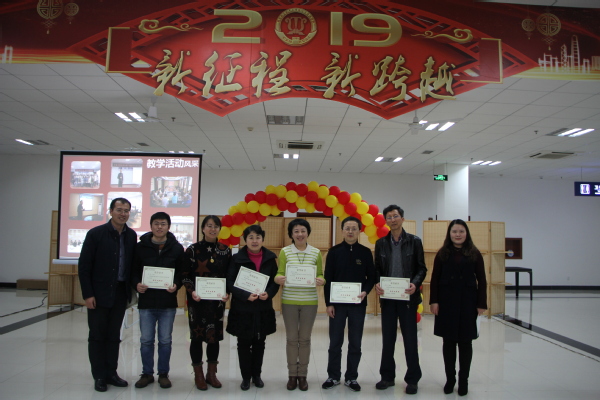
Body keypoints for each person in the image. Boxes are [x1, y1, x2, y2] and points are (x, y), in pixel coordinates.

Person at [78, 197, 137, 392]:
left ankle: (112, 373)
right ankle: (99, 376)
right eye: (119, 210)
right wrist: (88, 294)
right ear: (111, 211)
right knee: (97, 336)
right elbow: (84, 266)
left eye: (126, 210)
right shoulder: (96, 234)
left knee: (114, 335)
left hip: (120, 293)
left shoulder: (131, 235)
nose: (123, 214)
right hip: (99, 293)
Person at [430, 219, 487, 396]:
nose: (458, 234)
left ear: (466, 233)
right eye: (454, 231)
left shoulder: (474, 253)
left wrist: (481, 303)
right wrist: (434, 301)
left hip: (468, 302)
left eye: (461, 231)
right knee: (448, 343)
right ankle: (450, 379)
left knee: (465, 342)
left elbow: (482, 280)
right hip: (446, 303)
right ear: (449, 233)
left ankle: (464, 380)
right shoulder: (442, 253)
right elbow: (435, 278)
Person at [374, 204, 427, 394]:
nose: (392, 220)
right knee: (388, 340)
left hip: (408, 298)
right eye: (389, 217)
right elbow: (377, 268)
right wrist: (377, 283)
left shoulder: (415, 241)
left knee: (410, 340)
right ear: (385, 221)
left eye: (395, 216)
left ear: (402, 219)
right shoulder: (381, 243)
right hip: (388, 298)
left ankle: (412, 379)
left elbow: (422, 268)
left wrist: (415, 284)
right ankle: (387, 377)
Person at [322, 216, 376, 392]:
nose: (350, 231)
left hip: (357, 304)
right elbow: (328, 278)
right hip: (337, 305)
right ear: (342, 230)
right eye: (347, 228)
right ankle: (333, 376)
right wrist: (329, 303)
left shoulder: (365, 252)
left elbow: (372, 277)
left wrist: (365, 291)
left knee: (355, 342)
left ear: (359, 231)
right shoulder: (334, 251)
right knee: (335, 341)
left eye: (354, 228)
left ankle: (351, 377)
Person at [132, 212, 184, 389]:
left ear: (168, 226)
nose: (159, 227)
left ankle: (163, 374)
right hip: (146, 302)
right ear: (151, 226)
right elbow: (133, 271)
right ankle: (147, 373)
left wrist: (176, 284)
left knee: (165, 340)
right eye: (156, 223)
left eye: (163, 224)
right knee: (146, 340)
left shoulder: (177, 248)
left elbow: (181, 273)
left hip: (167, 302)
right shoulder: (140, 247)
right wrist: (136, 284)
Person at [226, 225, 280, 391]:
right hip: (242, 308)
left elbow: (275, 281)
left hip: (262, 307)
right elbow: (229, 282)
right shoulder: (236, 258)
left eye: (258, 237)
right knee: (243, 343)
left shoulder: (270, 258)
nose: (254, 241)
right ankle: (245, 377)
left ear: (263, 239)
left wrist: (268, 293)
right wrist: (245, 295)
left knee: (259, 342)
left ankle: (257, 375)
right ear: (245, 240)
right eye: (251, 237)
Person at [181, 215, 231, 390]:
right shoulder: (192, 250)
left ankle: (211, 374)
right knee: (196, 338)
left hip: (216, 303)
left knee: (213, 338)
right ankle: (199, 375)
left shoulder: (225, 250)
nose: (212, 229)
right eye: (209, 226)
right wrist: (192, 291)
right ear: (203, 228)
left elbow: (229, 275)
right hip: (197, 301)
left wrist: (227, 292)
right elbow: (185, 275)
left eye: (216, 226)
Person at [275, 219, 325, 391]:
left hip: (309, 302)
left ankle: (302, 375)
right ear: (291, 234)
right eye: (296, 231)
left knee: (304, 339)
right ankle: (292, 375)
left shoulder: (316, 253)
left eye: (303, 230)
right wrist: (278, 278)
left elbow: (320, 274)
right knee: (291, 339)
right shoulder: (285, 251)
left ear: (308, 232)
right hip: (289, 301)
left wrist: (322, 280)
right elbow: (279, 273)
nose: (300, 234)